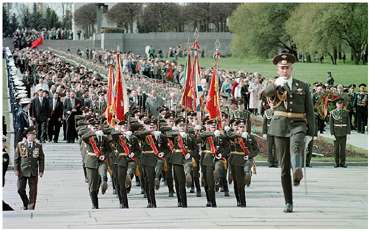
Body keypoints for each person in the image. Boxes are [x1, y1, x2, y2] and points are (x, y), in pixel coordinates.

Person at [262, 51, 315, 213]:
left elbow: (310, 111)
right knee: (284, 167)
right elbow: (264, 95)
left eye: (287, 67)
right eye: (282, 67)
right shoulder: (273, 84)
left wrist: (311, 133)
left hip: (298, 124)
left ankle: (298, 170)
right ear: (278, 69)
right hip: (279, 126)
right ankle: (288, 202)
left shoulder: (302, 86)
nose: (285, 70)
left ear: (292, 69)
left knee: (297, 147)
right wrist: (275, 83)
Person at [14, 127, 45, 210]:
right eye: (32, 134)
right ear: (27, 135)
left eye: (34, 134)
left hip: (33, 171)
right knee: (20, 189)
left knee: (33, 191)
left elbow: (41, 159)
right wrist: (16, 169)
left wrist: (41, 170)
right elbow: (16, 158)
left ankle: (31, 206)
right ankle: (26, 203)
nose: (33, 136)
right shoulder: (20, 145)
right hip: (22, 170)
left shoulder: (38, 145)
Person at [329, 98, 351, 168]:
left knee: (343, 149)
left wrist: (348, 133)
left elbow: (348, 123)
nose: (340, 105)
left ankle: (343, 163)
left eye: (341, 104)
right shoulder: (332, 112)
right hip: (336, 133)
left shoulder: (346, 112)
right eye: (338, 104)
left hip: (343, 132)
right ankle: (336, 163)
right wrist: (332, 134)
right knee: (336, 149)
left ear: (342, 104)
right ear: (336, 105)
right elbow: (331, 124)